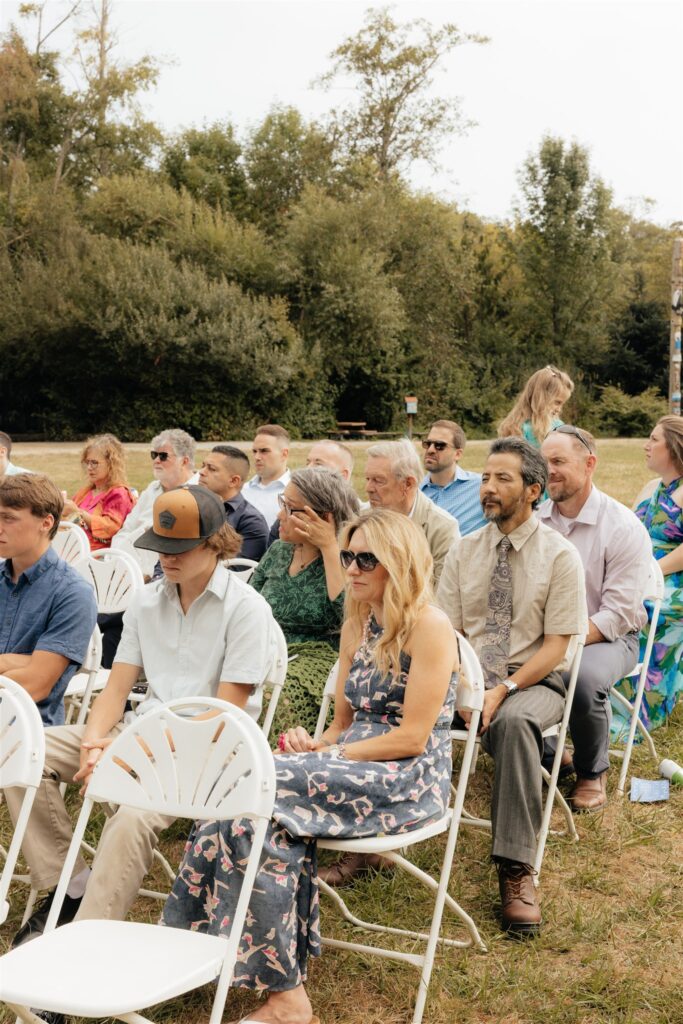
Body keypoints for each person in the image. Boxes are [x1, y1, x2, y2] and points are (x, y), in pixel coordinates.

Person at [162, 508, 459, 1024]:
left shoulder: (429, 626)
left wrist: (330, 756)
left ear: (401, 561)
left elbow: (412, 736)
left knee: (253, 784)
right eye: (348, 556)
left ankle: (263, 984)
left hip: (406, 778)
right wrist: (313, 743)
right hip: (347, 765)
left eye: (368, 557)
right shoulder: (359, 622)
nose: (353, 567)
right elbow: (341, 727)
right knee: (244, 806)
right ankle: (249, 978)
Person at [6, 485, 281, 955]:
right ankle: (68, 886)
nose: (166, 560)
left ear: (216, 544)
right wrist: (95, 743)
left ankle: (83, 949)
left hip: (213, 753)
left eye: (179, 550)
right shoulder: (148, 601)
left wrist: (126, 754)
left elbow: (224, 716)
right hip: (139, 734)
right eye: (160, 548)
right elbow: (116, 689)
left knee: (132, 814)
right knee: (21, 748)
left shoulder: (246, 609)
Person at [438, 437, 587, 934]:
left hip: (535, 678)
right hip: (470, 675)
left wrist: (499, 691)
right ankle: (374, 839)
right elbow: (447, 632)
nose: (488, 488)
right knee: (395, 704)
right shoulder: (463, 552)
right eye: (484, 477)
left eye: (503, 478)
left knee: (516, 722)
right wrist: (465, 687)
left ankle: (516, 870)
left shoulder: (560, 556)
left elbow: (556, 646)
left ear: (533, 490)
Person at [539, 425, 651, 811]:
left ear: (589, 464)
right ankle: (553, 756)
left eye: (558, 461)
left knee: (580, 677)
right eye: (543, 462)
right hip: (543, 634)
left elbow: (618, 614)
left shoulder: (622, 526)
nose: (547, 470)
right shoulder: (534, 518)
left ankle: (590, 772)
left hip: (610, 638)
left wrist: (557, 646)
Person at [250, 467, 359, 736]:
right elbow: (248, 603)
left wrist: (329, 547)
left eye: (290, 508)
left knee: (267, 698)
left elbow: (349, 616)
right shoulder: (278, 551)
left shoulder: (353, 559)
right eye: (282, 504)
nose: (279, 515)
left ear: (323, 517)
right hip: (265, 652)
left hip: (320, 659)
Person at [0, 473, 97, 726]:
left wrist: (18, 663)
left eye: (8, 518)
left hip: (27, 732)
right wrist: (17, 660)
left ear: (46, 523)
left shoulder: (73, 593)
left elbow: (35, 685)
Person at [612, 415, 683, 734]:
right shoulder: (651, 488)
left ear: (674, 446)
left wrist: (651, 572)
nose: (646, 445)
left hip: (672, 583)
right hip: (635, 576)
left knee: (651, 611)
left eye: (654, 439)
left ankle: (639, 708)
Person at [365, 438, 459, 585]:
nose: (368, 488)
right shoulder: (361, 517)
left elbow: (443, 597)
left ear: (408, 484)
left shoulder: (442, 529)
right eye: (368, 479)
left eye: (378, 480)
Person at [111, 428, 199, 553]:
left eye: (163, 456)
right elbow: (126, 530)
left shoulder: (199, 492)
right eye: (154, 455)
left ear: (184, 461)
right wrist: (115, 557)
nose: (156, 460)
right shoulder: (152, 489)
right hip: (128, 562)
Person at [267, 439, 356, 547]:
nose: (308, 468)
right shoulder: (288, 517)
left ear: (343, 475)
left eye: (318, 464)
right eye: (307, 462)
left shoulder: (357, 524)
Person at [61, 434, 135, 551]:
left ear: (111, 464)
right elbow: (73, 523)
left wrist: (78, 512)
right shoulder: (85, 492)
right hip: (72, 548)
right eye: (87, 462)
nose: (89, 467)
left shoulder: (119, 493)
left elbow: (110, 529)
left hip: (98, 558)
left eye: (94, 463)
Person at [198, 444, 269, 561]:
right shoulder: (192, 506)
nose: (201, 472)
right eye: (203, 466)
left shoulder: (251, 521)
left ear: (233, 481)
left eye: (211, 469)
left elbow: (236, 570)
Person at [420, 419, 486, 535]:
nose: (430, 450)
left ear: (458, 454)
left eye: (439, 446)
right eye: (428, 444)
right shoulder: (413, 491)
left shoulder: (481, 487)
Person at [498, 365, 574, 448]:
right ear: (541, 397)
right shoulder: (518, 428)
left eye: (562, 404)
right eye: (557, 402)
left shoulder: (558, 427)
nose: (559, 409)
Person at [243, 423, 291, 527]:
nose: (257, 457)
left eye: (264, 451)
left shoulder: (297, 493)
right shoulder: (241, 491)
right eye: (254, 451)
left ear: (284, 454)